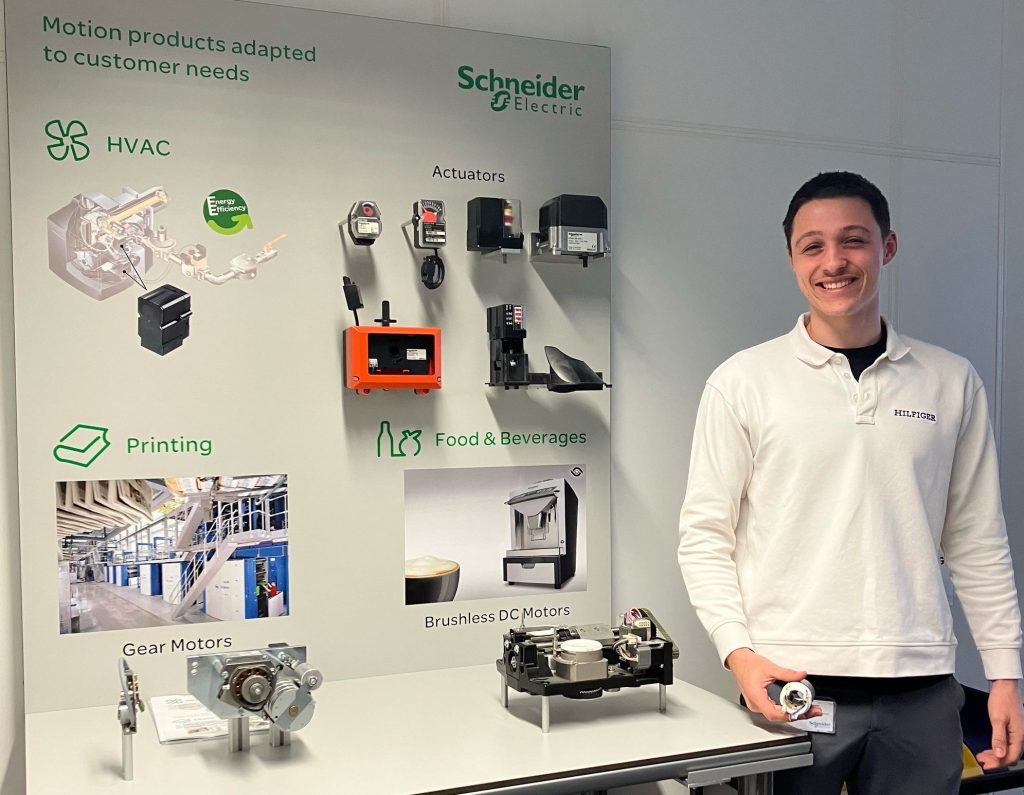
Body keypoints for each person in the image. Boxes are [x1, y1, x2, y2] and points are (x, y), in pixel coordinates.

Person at [677, 171, 1023, 794]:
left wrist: (1004, 673)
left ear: (887, 247)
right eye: (812, 246)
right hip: (791, 683)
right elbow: (704, 537)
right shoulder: (742, 382)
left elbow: (977, 539)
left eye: (853, 241)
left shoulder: (950, 382)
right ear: (792, 259)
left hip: (920, 688)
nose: (833, 262)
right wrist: (740, 655)